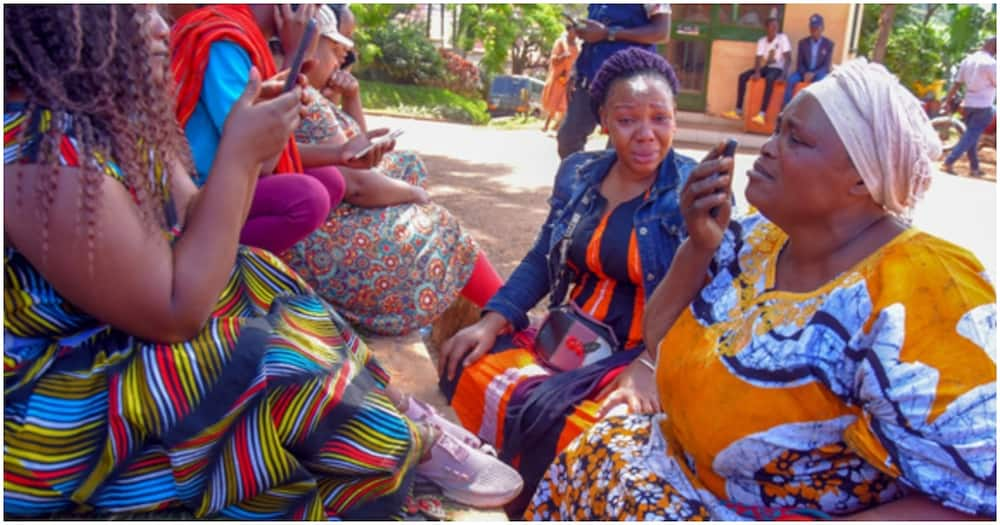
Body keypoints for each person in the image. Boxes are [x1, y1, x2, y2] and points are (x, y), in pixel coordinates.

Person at [3, 4, 522, 519]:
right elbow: (174, 311)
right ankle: (392, 442)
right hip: (52, 399)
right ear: (67, 25)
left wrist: (250, 147)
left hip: (119, 334)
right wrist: (238, 155)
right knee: (248, 353)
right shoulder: (35, 153)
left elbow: (192, 218)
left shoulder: (107, 123)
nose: (163, 26)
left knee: (259, 271)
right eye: (137, 11)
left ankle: (392, 416)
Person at [527, 59, 996, 521]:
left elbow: (975, 496)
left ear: (861, 176)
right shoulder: (754, 239)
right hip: (654, 469)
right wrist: (697, 246)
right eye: (777, 130)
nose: (769, 148)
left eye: (796, 139)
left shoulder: (928, 289)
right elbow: (660, 340)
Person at [438, 48, 695, 516]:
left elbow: (707, 294)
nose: (646, 134)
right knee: (466, 358)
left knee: (595, 434)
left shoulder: (694, 190)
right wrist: (490, 322)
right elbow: (541, 257)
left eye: (661, 118)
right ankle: (509, 484)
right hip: (568, 336)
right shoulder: (579, 173)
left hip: (640, 355)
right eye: (627, 120)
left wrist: (652, 364)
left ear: (676, 117)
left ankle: (541, 503)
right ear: (603, 120)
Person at [283, 6, 504, 335]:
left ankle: (489, 308)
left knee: (408, 166)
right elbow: (359, 182)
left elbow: (358, 153)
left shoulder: (307, 92)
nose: (340, 64)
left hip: (317, 221)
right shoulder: (304, 97)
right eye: (337, 52)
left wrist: (352, 96)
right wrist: (414, 196)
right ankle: (505, 315)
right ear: (310, 46)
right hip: (316, 243)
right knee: (442, 226)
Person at [170, 4, 393, 255]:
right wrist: (295, 57)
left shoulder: (248, 39)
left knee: (330, 180)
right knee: (308, 198)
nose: (313, 14)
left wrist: (341, 153)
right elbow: (262, 158)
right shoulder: (224, 42)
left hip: (237, 176)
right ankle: (216, 265)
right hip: (199, 192)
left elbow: (267, 153)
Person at [556, 4, 671, 159]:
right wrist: (576, 70)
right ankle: (582, 182)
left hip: (630, 85)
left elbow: (661, 32)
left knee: (619, 150)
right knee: (568, 139)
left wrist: (607, 33)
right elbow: (592, 37)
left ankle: (611, 182)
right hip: (588, 80)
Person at [942, 36, 996, 178]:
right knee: (971, 135)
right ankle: (949, 161)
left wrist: (947, 101)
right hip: (984, 105)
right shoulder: (991, 64)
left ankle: (974, 168)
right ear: (994, 47)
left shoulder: (968, 60)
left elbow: (957, 83)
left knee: (972, 136)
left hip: (969, 104)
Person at [722, 16, 792, 125]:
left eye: (776, 26)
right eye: (772, 26)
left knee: (769, 79)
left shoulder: (782, 38)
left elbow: (788, 58)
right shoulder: (762, 41)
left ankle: (762, 114)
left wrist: (784, 75)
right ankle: (738, 110)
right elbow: (758, 58)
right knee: (742, 76)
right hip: (767, 67)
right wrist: (757, 72)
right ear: (766, 28)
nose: (775, 29)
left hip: (778, 69)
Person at [781, 13, 834, 109]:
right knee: (790, 80)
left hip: (818, 73)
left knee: (821, 84)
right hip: (803, 72)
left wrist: (813, 74)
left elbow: (826, 66)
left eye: (816, 28)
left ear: (822, 28)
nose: (813, 30)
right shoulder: (802, 43)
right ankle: (785, 109)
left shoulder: (828, 44)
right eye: (811, 27)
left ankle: (813, 110)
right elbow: (799, 63)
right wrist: (805, 73)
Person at [541, 25, 580, 133]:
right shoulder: (560, 43)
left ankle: (557, 126)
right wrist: (562, 56)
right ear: (568, 30)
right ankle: (546, 125)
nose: (576, 33)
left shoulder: (577, 46)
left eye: (577, 31)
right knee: (554, 102)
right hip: (559, 77)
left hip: (570, 79)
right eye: (574, 30)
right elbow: (553, 59)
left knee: (566, 105)